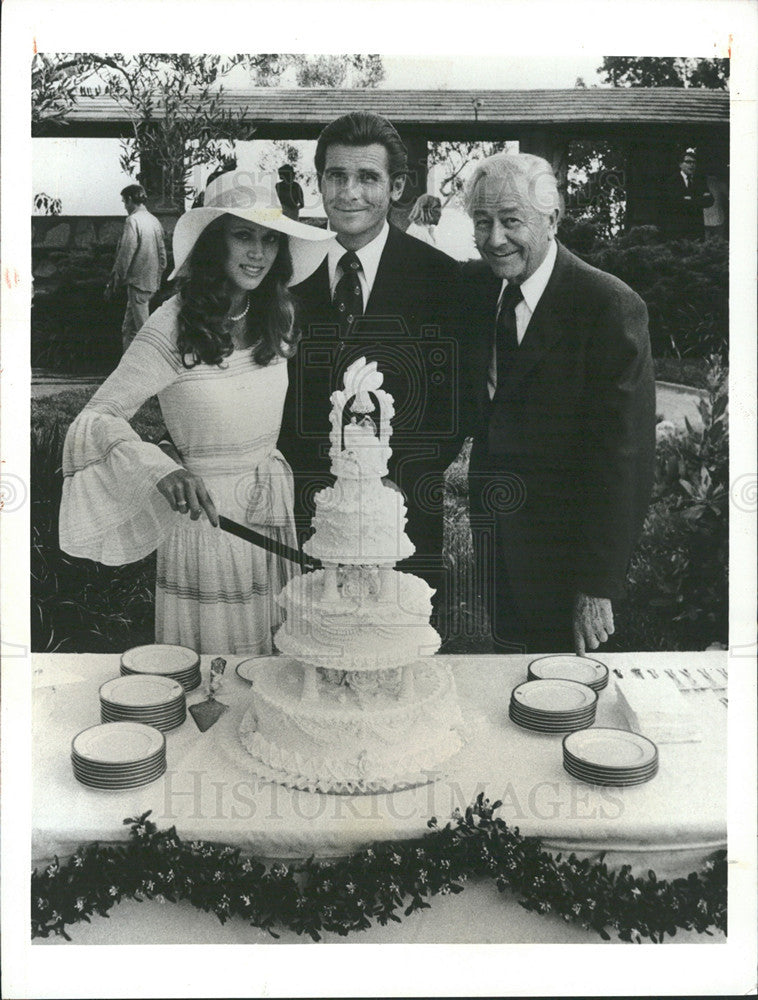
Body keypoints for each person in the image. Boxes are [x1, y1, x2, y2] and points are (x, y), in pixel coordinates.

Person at [60, 169, 333, 655]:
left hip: (272, 509)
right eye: (243, 236)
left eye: (270, 239)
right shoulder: (173, 324)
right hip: (209, 524)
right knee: (217, 677)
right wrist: (162, 467)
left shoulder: (278, 313)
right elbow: (95, 420)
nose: (258, 253)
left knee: (276, 667)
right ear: (212, 243)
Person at [278, 112, 465, 637]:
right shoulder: (288, 274)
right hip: (308, 515)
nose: (349, 193)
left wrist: (389, 484)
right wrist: (312, 487)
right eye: (336, 176)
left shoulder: (441, 279)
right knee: (312, 658)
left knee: (394, 663)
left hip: (400, 519)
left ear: (397, 186)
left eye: (367, 178)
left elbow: (455, 404)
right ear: (319, 182)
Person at [461, 152, 655, 655]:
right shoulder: (484, 291)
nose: (495, 238)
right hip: (499, 552)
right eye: (482, 223)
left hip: (571, 566)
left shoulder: (607, 306)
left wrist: (597, 586)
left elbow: (625, 460)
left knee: (571, 705)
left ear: (552, 218)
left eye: (511, 220)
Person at [105, 184, 168, 352]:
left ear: (130, 200)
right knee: (128, 328)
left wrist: (115, 281)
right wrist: (157, 277)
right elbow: (163, 257)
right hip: (150, 282)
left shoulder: (132, 220)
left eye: (124, 202)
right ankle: (129, 367)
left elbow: (126, 254)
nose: (125, 206)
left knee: (143, 331)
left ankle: (151, 366)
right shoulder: (154, 221)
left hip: (137, 282)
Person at [660, 149, 713, 240]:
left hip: (696, 229)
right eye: (688, 162)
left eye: (694, 162)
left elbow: (710, 201)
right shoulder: (672, 182)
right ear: (680, 164)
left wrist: (689, 200)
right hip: (678, 229)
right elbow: (674, 203)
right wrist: (699, 200)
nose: (692, 165)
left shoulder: (699, 181)